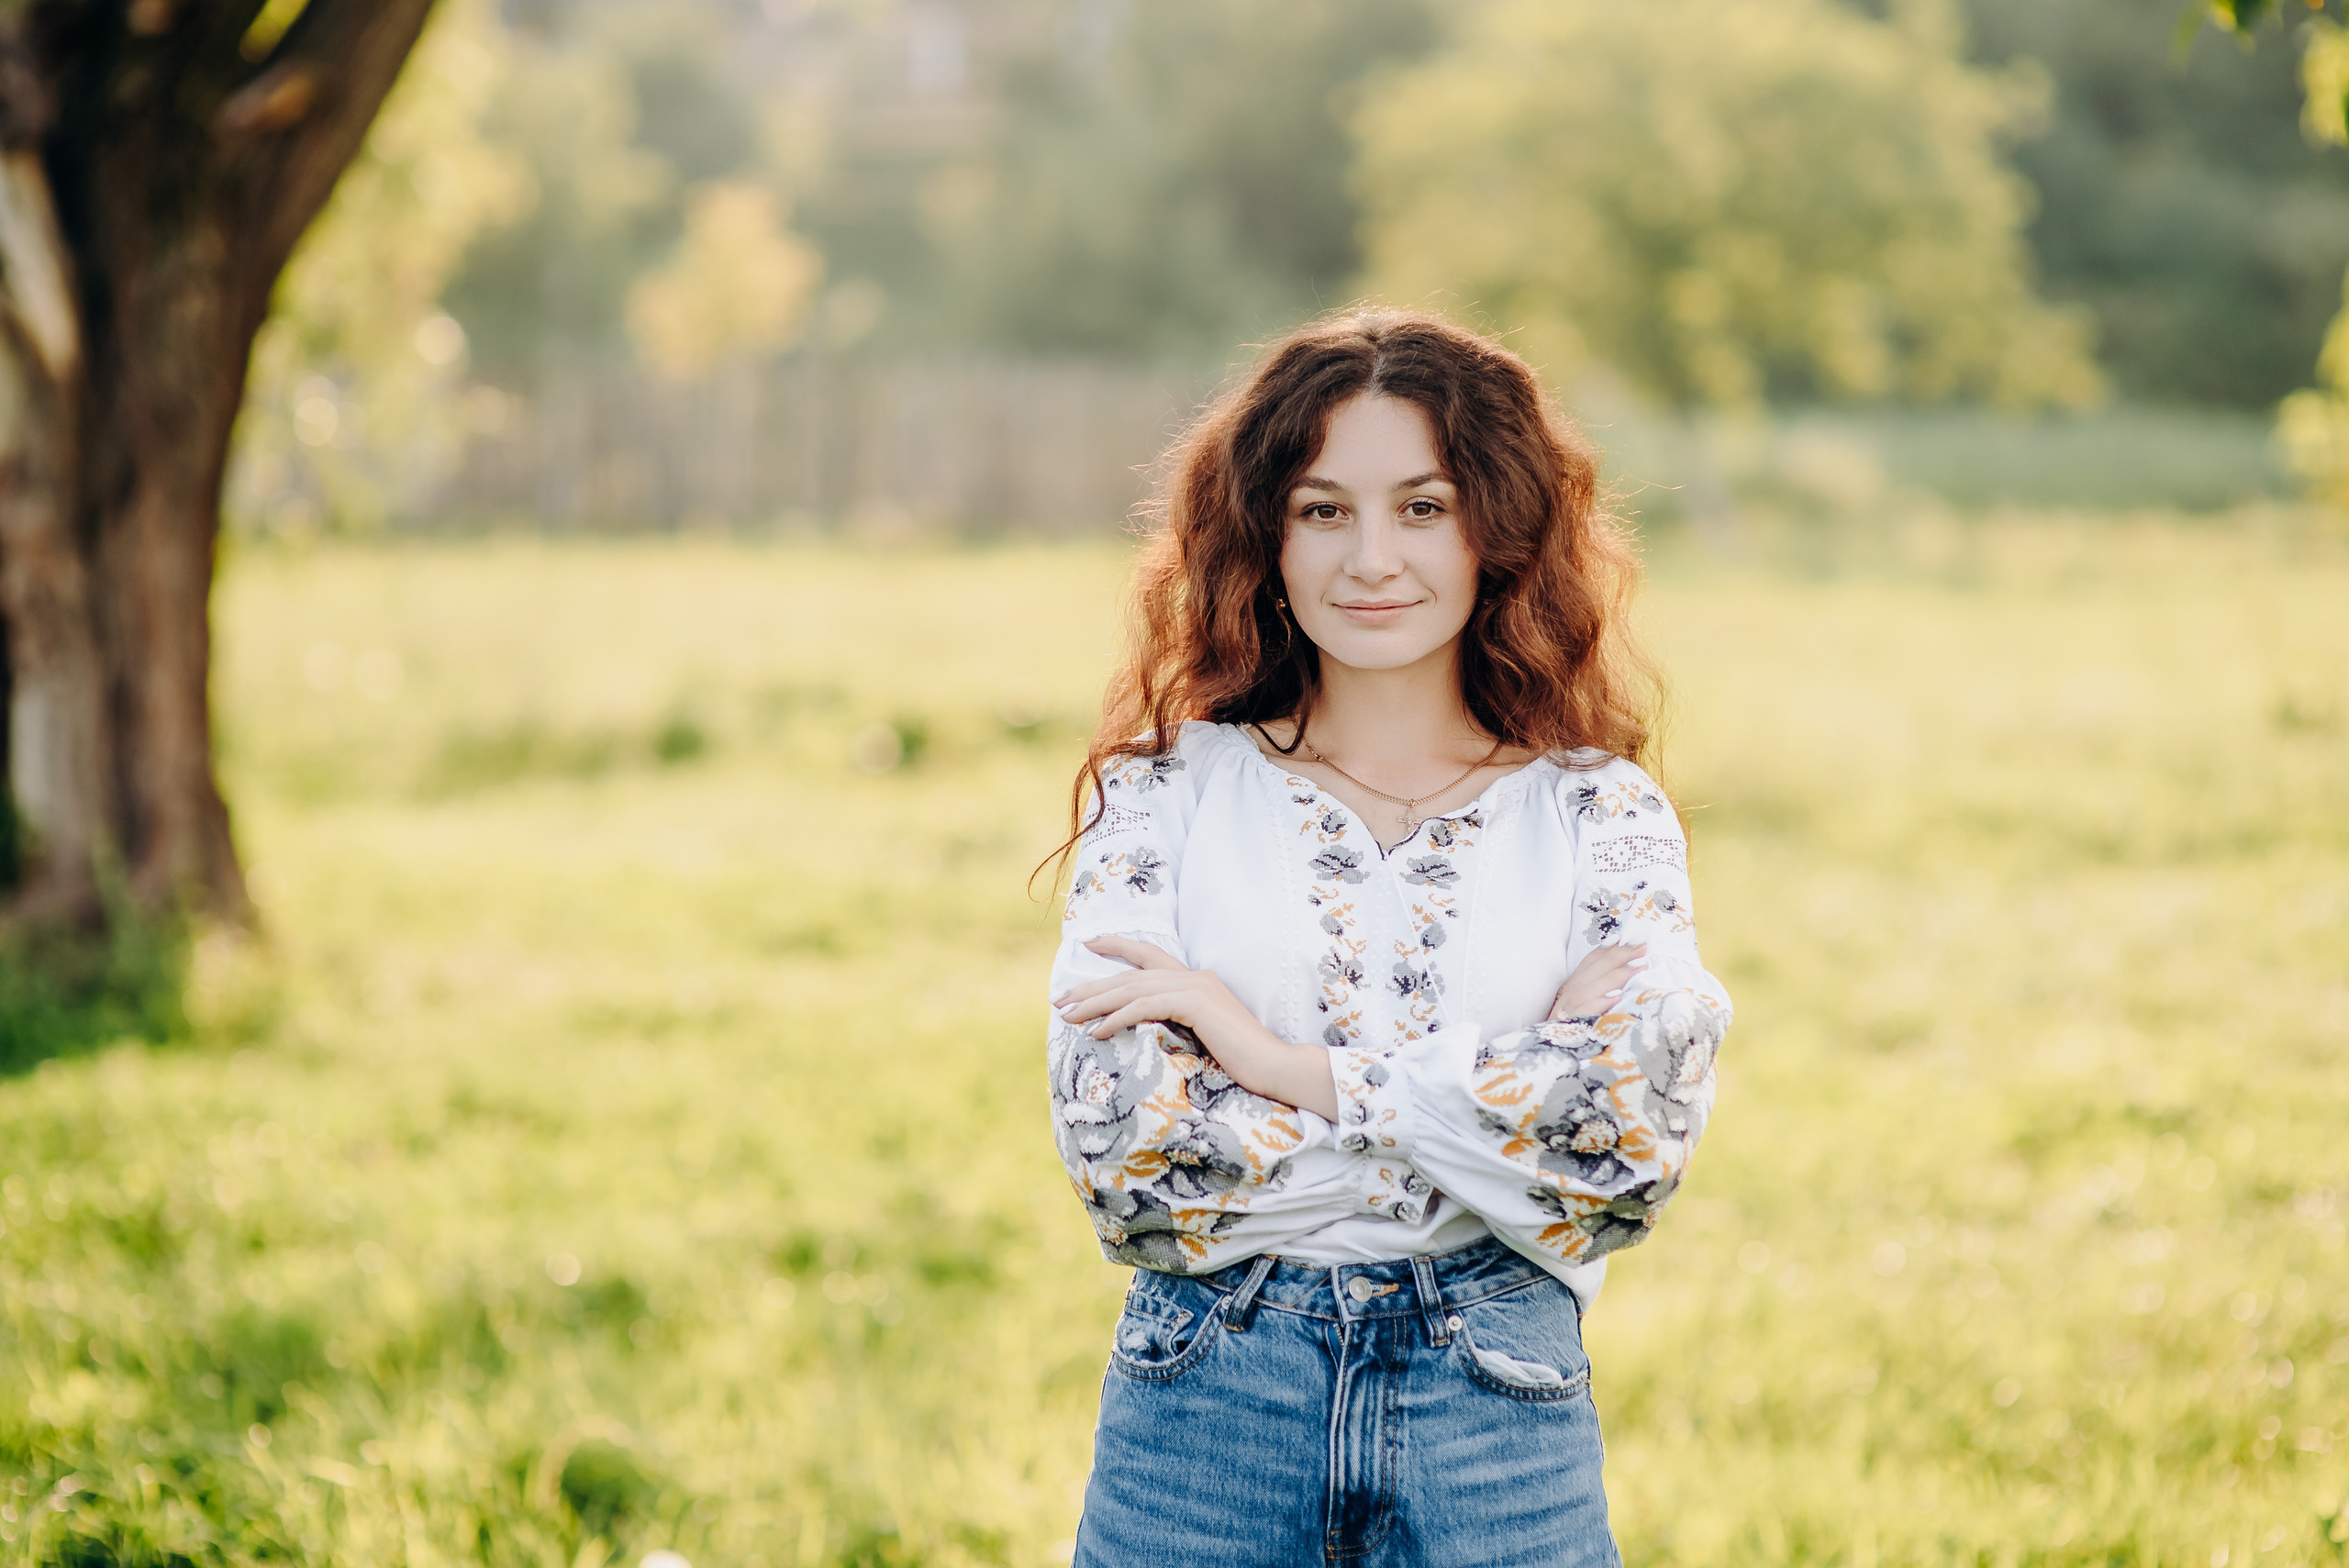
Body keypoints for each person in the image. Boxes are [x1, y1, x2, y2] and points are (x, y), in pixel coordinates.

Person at [1045, 309, 1732, 1567]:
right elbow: (1129, 1153)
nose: (1372, 557)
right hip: (1206, 1410)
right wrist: (1512, 1098)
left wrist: (1267, 1059)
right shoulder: (1168, 792)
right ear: (1266, 532)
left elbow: (1631, 1141)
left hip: (1496, 1420)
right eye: (1323, 510)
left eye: (1424, 507)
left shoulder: (1598, 809)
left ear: (1501, 528)